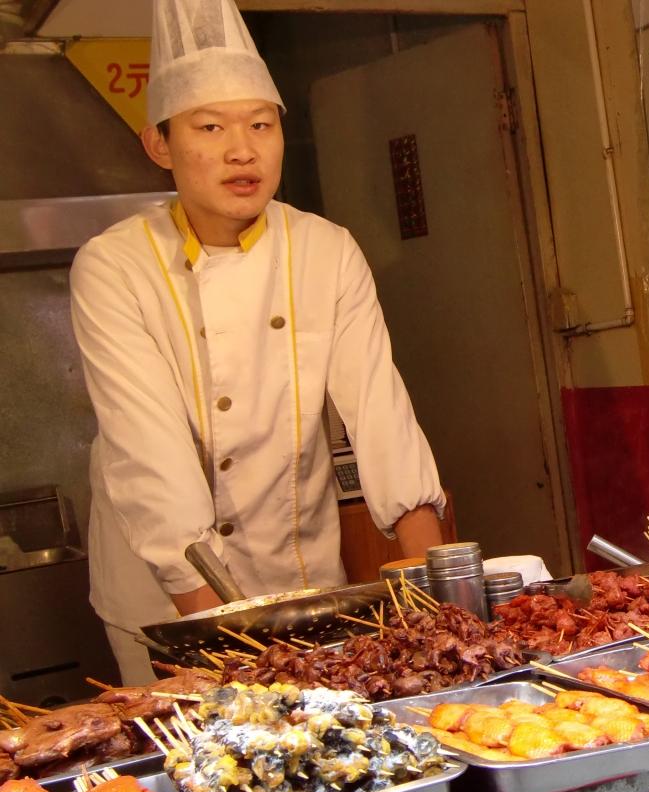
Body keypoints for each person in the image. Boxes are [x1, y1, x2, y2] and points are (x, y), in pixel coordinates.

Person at [69, 0, 446, 684]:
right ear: (159, 145)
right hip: (169, 604)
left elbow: (381, 412)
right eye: (210, 127)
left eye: (261, 124)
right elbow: (148, 455)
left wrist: (439, 606)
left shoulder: (325, 249)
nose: (242, 150)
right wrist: (226, 650)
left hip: (301, 582)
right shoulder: (114, 266)